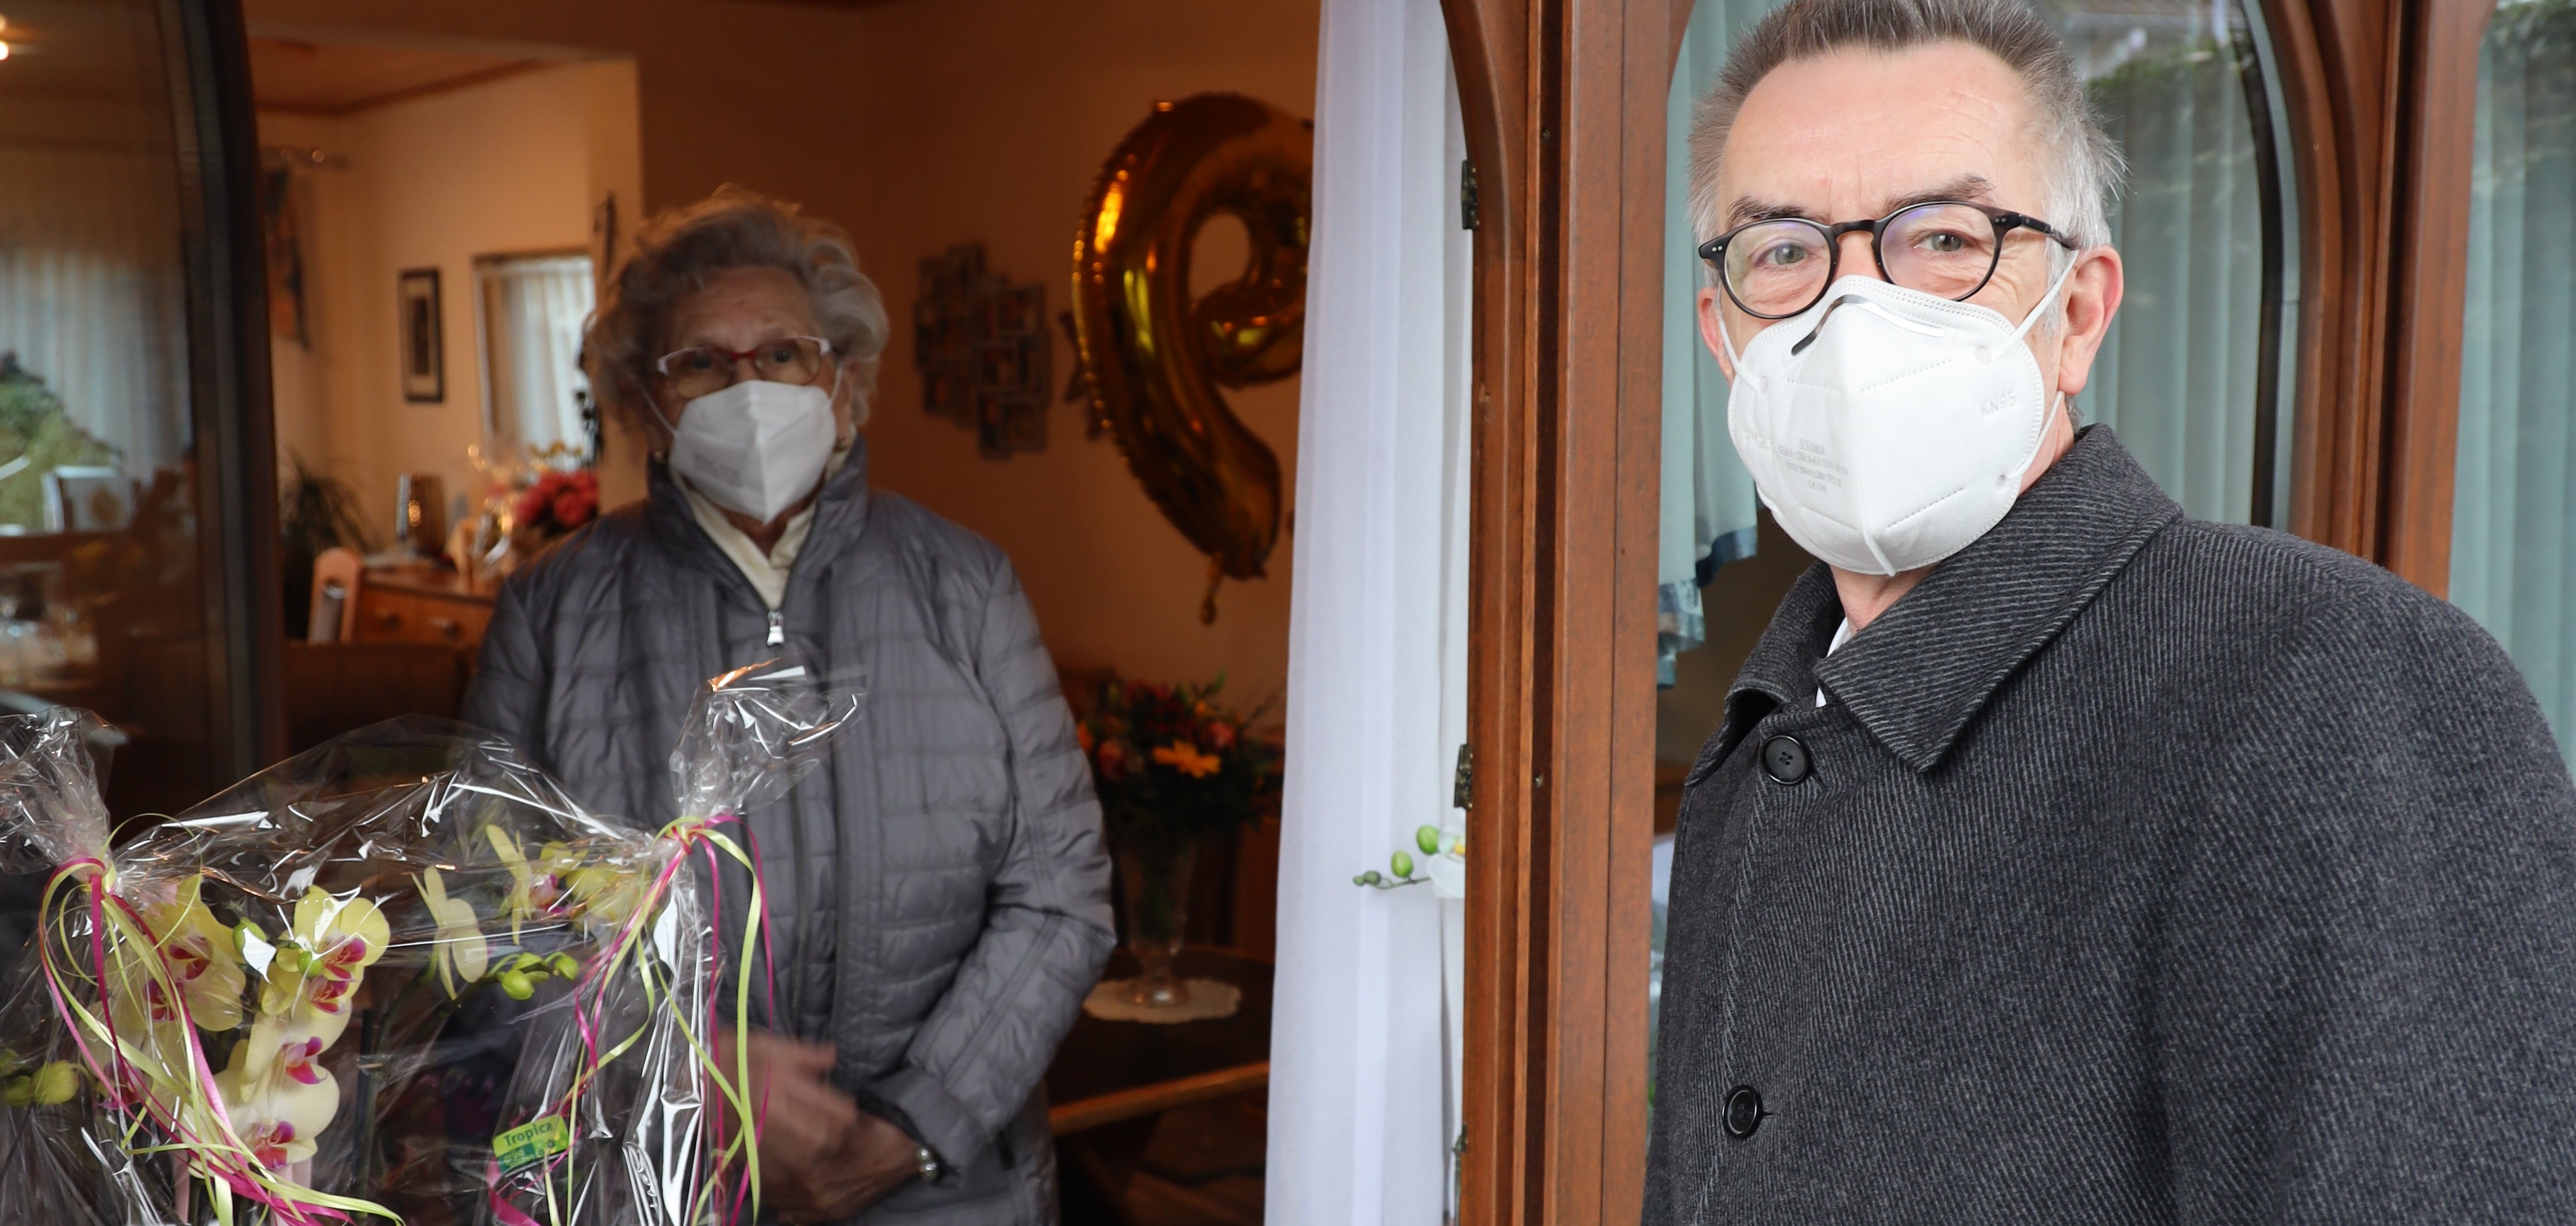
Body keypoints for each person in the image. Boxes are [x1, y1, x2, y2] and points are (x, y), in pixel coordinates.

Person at [1645, 1, 2576, 1220]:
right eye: (1782, 251)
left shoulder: (2329, 680)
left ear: (2076, 313)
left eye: (1944, 239)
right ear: (1724, 339)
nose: (1852, 307)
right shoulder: (1758, 748)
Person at [463, 188, 1113, 1224]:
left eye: (783, 354)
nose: (748, 386)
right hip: (662, 1178)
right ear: (645, 403)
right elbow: (488, 916)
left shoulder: (966, 585)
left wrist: (915, 1125)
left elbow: (1060, 894)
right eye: (702, 362)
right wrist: (685, 1072)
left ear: (844, 383)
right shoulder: (553, 610)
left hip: (945, 1190)